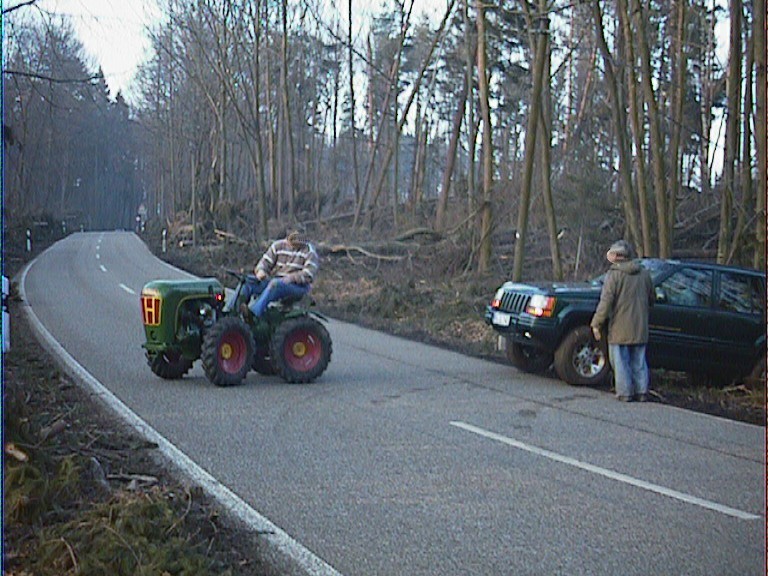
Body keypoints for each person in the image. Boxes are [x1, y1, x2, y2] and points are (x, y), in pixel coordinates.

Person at [590, 240, 654, 402]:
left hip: (620, 327)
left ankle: (625, 393)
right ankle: (642, 391)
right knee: (639, 361)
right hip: (640, 327)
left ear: (617, 257)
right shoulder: (645, 274)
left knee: (620, 362)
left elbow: (606, 302)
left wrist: (596, 324)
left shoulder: (614, 276)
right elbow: (651, 298)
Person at [241, 230, 319, 318]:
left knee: (275, 284)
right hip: (277, 281)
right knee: (248, 281)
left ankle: (253, 314)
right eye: (293, 238)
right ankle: (232, 312)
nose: (296, 241)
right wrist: (261, 271)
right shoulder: (277, 246)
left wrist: (290, 278)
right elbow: (265, 263)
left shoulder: (309, 251)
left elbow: (308, 274)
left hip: (297, 287)